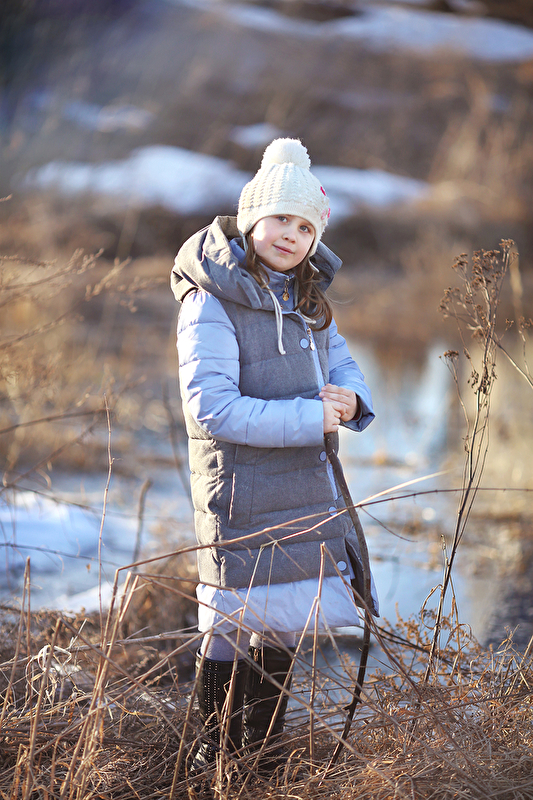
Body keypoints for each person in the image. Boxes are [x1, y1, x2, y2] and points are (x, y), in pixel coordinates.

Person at [171, 138, 378, 784]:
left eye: (305, 227)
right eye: (280, 219)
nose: (291, 235)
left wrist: (351, 398)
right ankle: (212, 758)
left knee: (285, 622)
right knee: (230, 624)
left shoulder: (308, 298)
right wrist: (309, 418)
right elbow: (211, 407)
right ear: (250, 219)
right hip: (239, 491)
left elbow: (341, 362)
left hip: (302, 490)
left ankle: (259, 760)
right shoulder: (212, 298)